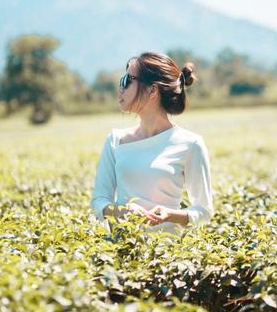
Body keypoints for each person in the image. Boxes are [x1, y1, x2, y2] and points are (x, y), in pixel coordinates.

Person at [90, 51, 214, 234]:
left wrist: (170, 214)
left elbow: (204, 211)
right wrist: (121, 211)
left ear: (152, 90)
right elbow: (99, 201)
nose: (120, 88)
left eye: (127, 80)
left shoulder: (191, 144)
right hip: (121, 253)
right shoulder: (115, 140)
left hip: (166, 255)